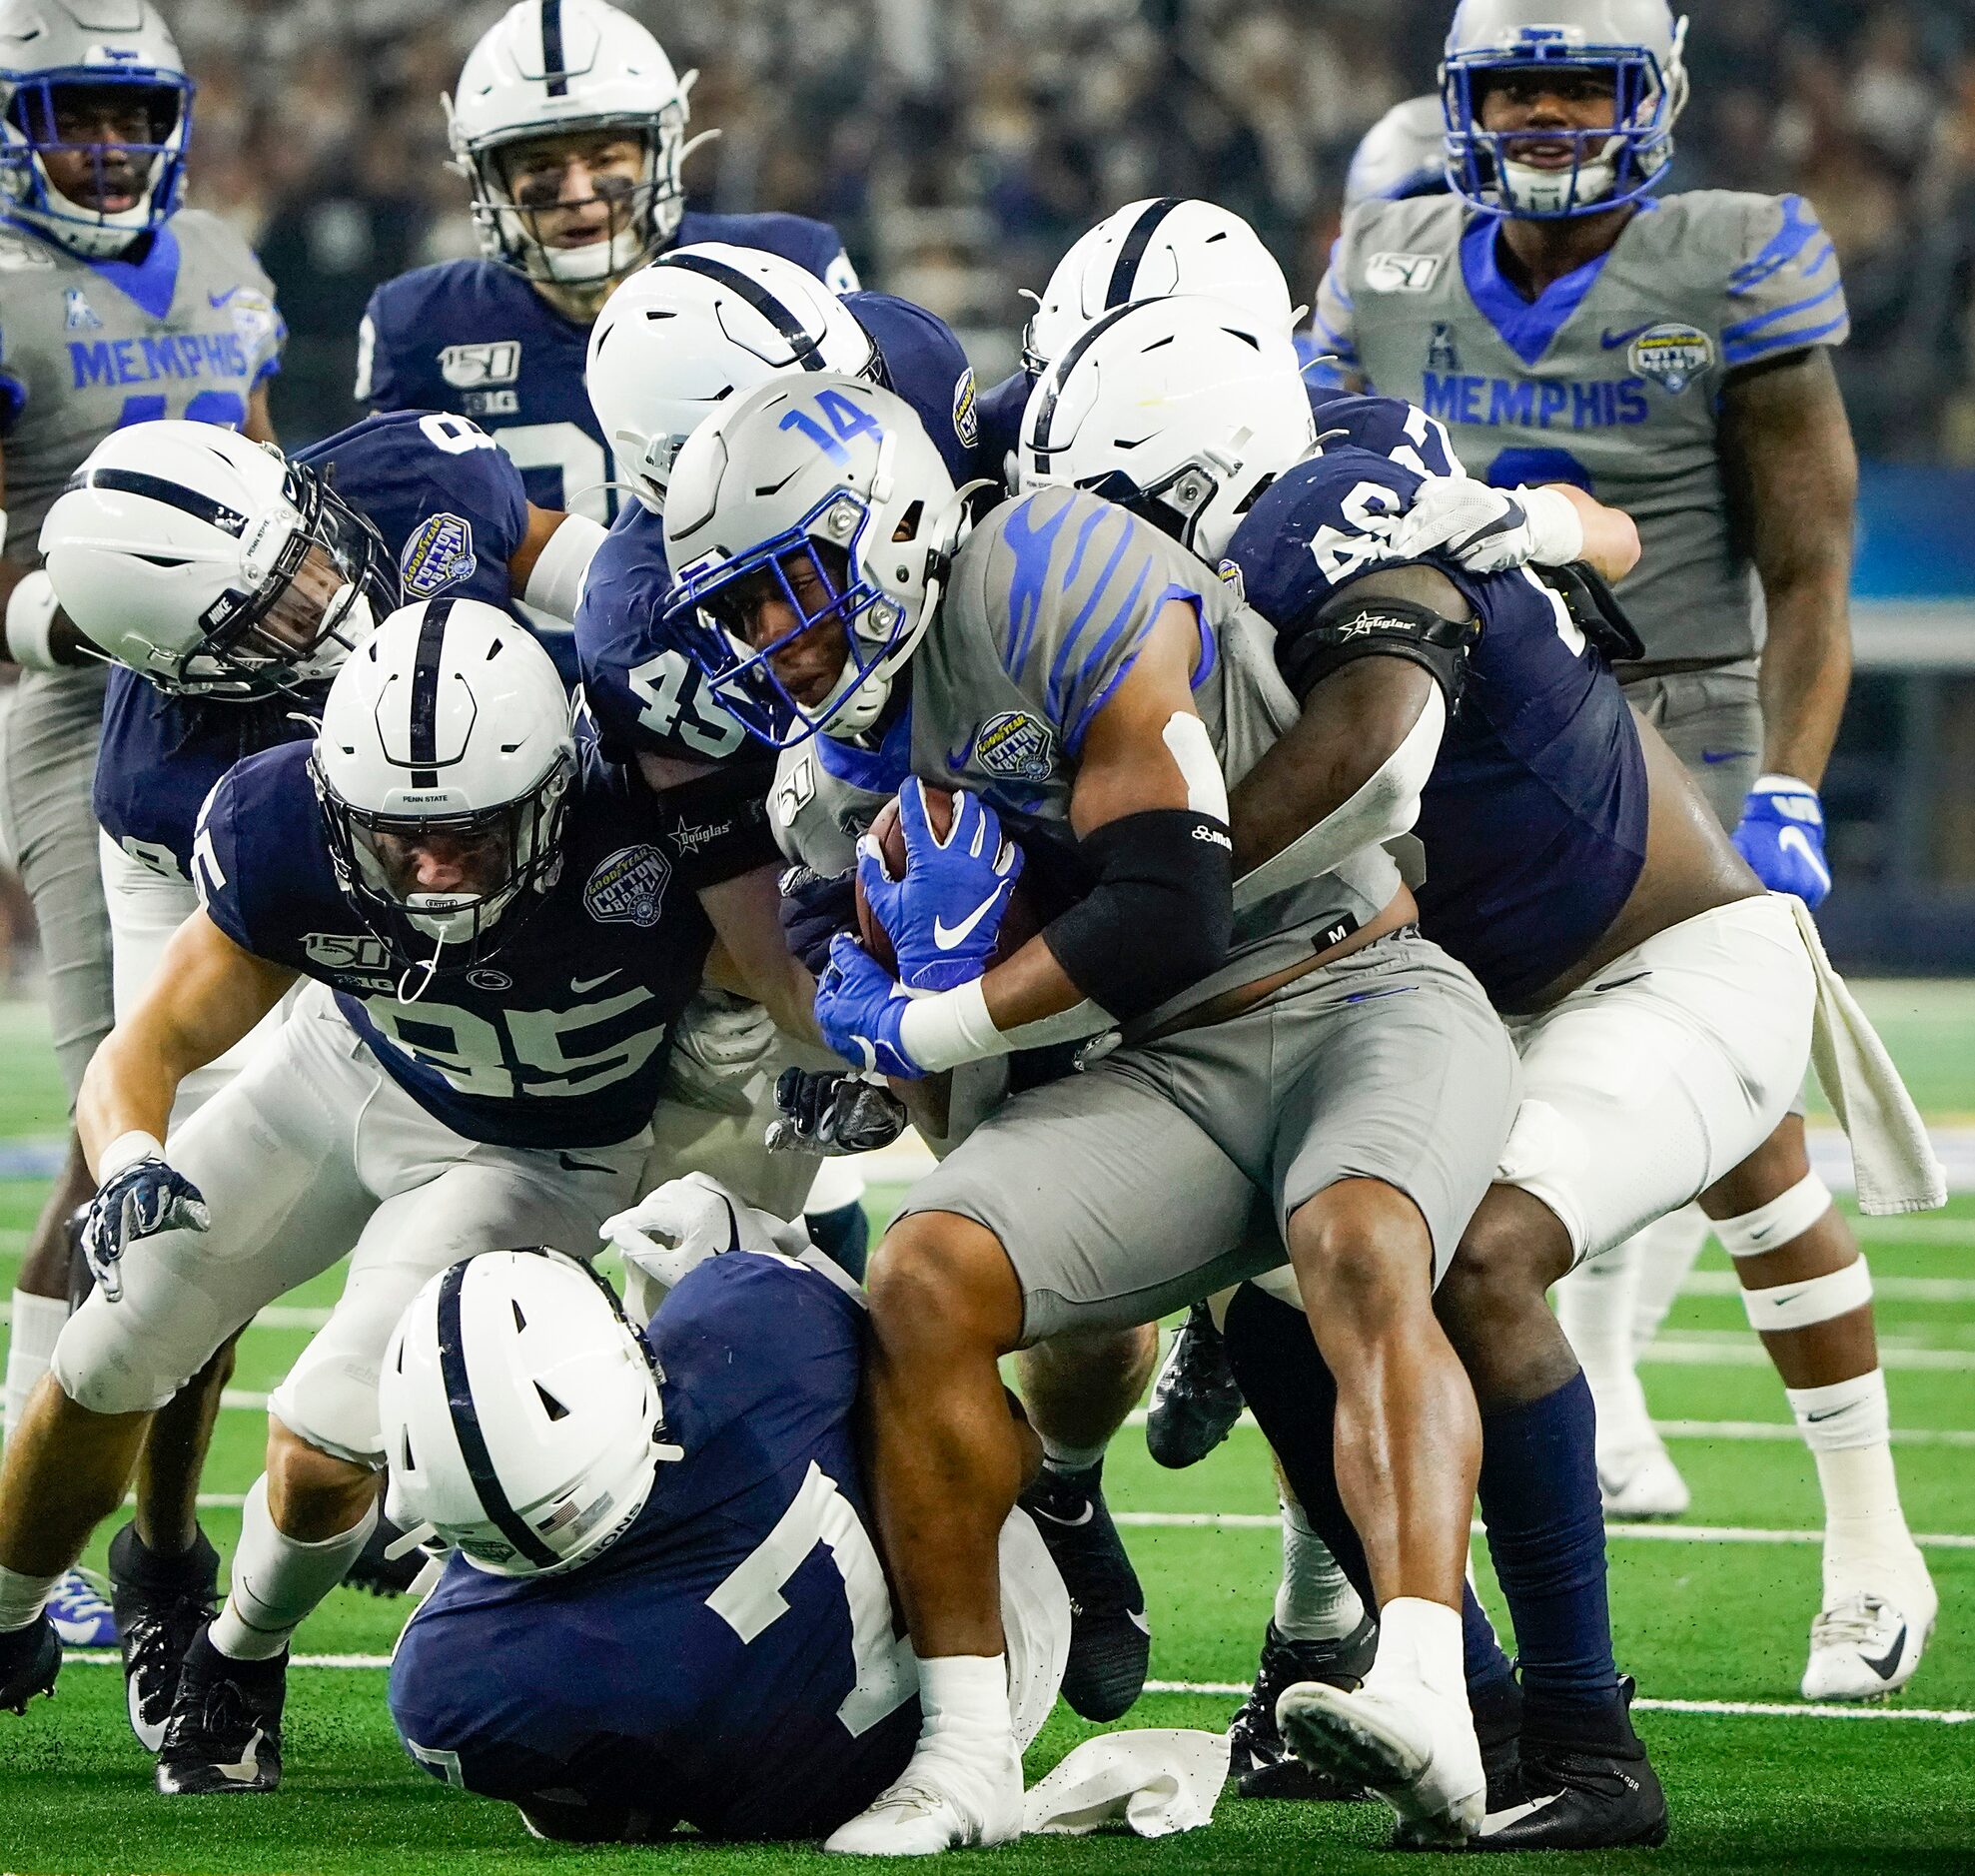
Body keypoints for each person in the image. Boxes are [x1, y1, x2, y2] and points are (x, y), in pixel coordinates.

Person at [658, 373, 1519, 1851]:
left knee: (1358, 1238)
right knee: (923, 1271)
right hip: (1148, 1071)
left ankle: (1431, 1691)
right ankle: (965, 1750)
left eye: (796, 586)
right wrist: (906, 1016)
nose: (777, 642)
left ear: (897, 523)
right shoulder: (824, 783)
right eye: (743, 615)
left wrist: (933, 997)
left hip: (1345, 984)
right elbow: (939, 1086)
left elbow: (1173, 903)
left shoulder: (1051, 566)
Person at [1314, 0, 1936, 1704]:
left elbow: (1809, 564)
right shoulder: (1386, 261)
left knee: (1746, 1135)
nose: (1535, 114)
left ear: (1648, 96)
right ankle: (1345, 1603)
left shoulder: (1735, 260)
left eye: (1571, 80)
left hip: (1674, 722)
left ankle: (1868, 1539)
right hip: (1453, 743)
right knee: (1374, 1137)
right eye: (1506, 83)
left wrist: (1788, 784)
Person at [0, 598, 818, 1793]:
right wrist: (129, 1157)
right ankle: (10, 1610)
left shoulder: (654, 833)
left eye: (472, 837)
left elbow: (804, 980)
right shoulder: (290, 825)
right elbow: (153, 1041)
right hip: (341, 1074)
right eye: (401, 837)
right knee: (115, 1339)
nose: (434, 868)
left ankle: (241, 1659)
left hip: (535, 1155)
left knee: (330, 1436)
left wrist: (841, 1067)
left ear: (552, 791)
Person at [34, 410, 603, 1739]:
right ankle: (164, 1560)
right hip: (241, 884)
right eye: (272, 614)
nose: (324, 594)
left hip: (465, 788)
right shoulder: (181, 773)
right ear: (182, 663)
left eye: (305, 553)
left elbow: (582, 566)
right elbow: (225, 981)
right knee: (190, 1229)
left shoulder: (405, 477)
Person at [0, 0, 284, 1651]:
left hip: (241, 691)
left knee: (270, 1099)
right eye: (70, 111)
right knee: (137, 1101)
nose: (104, 142)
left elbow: (258, 462)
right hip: (70, 698)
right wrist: (57, 621)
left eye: (126, 110)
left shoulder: (234, 259)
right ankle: (37, 1492)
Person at [384, 1176, 1068, 1845]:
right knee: (728, 1237)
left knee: (568, 1791)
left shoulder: (445, 1682)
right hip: (1007, 1634)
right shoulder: (753, 1331)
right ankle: (1079, 1525)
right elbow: (1007, 1442)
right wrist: (737, 1266)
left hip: (795, 1809)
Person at [359, 0, 856, 543]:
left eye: (604, 160)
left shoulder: (781, 265)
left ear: (656, 154)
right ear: (490, 181)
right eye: (542, 167)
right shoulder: (421, 324)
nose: (577, 194)